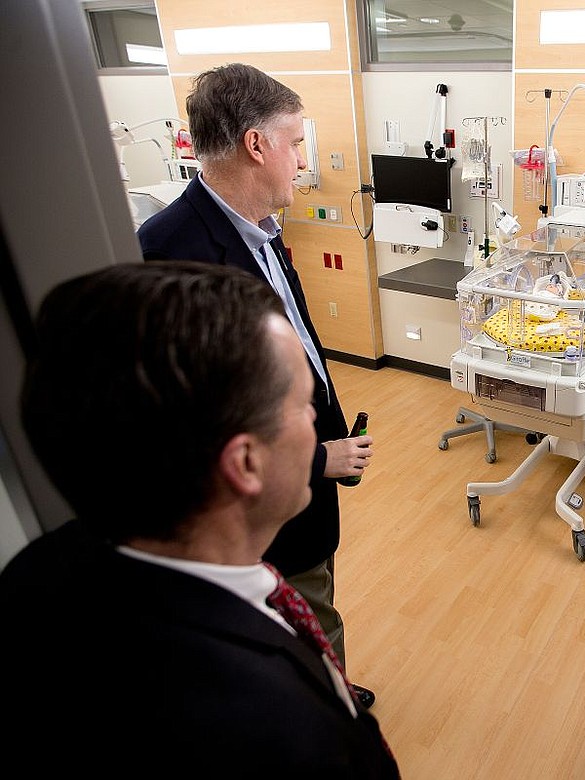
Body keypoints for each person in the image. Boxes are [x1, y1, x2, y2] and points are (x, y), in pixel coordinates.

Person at [0, 262, 399, 776]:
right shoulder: (275, 731)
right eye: (304, 405)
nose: (319, 425)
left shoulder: (40, 568)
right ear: (245, 463)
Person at [137, 63, 376, 707]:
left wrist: (326, 435)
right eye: (296, 141)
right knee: (293, 622)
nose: (304, 158)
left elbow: (294, 344)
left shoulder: (265, 234)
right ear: (256, 145)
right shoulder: (170, 254)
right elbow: (193, 418)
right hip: (255, 503)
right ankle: (328, 710)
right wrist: (313, 456)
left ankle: (331, 687)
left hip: (309, 474)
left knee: (318, 598)